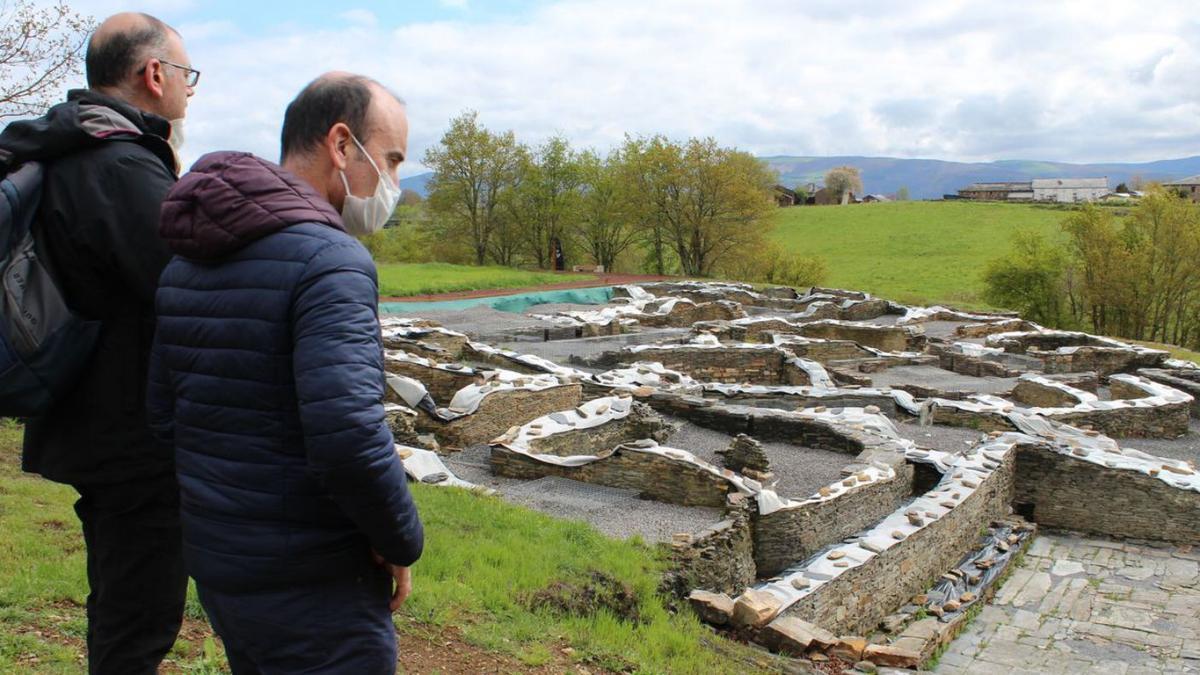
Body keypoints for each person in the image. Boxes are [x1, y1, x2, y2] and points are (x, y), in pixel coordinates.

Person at [147, 73, 424, 673]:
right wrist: (400, 538)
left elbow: (165, 413)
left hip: (223, 557)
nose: (394, 184)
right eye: (392, 161)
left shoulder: (190, 257)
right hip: (313, 573)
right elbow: (349, 432)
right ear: (342, 145)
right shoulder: (331, 262)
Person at [0, 13, 195, 674]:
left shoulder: (65, 145)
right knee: (138, 618)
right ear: (153, 74)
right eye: (186, 75)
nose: (189, 90)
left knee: (120, 600)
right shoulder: (120, 165)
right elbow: (182, 286)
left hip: (83, 414)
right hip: (128, 432)